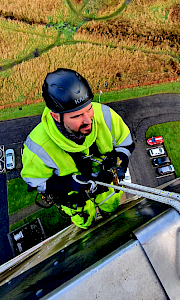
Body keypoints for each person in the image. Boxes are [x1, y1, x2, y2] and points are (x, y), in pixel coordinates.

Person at [21, 68, 135, 229]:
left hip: (108, 187)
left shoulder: (105, 116)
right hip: (75, 200)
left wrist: (119, 161)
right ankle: (87, 223)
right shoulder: (38, 147)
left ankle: (110, 212)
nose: (88, 120)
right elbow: (36, 182)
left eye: (89, 109)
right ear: (55, 116)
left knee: (111, 206)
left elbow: (125, 142)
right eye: (76, 116)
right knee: (85, 220)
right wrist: (68, 184)